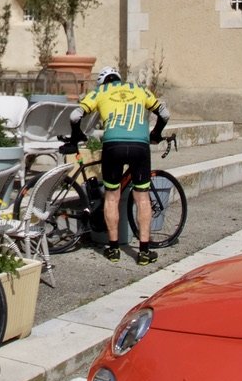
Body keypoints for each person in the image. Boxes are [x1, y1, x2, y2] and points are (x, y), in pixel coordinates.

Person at [65, 66, 169, 266]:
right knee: (142, 198)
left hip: (113, 145)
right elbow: (164, 113)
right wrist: (155, 134)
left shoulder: (100, 92)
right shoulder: (139, 90)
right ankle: (144, 252)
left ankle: (113, 249)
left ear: (103, 82)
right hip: (140, 145)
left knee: (112, 197)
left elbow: (75, 116)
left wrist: (77, 133)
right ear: (119, 79)